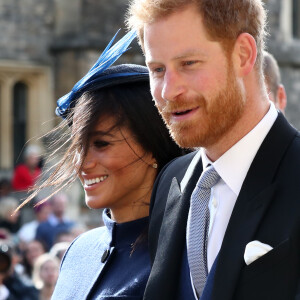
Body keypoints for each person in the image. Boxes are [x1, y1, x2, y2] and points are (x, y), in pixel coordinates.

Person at [126, 1, 300, 299]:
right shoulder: (171, 181)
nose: (168, 91)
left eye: (188, 64)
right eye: (157, 69)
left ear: (243, 55)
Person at [24, 30, 183, 300]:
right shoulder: (77, 251)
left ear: (153, 147)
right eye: (79, 147)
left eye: (101, 144)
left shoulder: (183, 259)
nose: (82, 164)